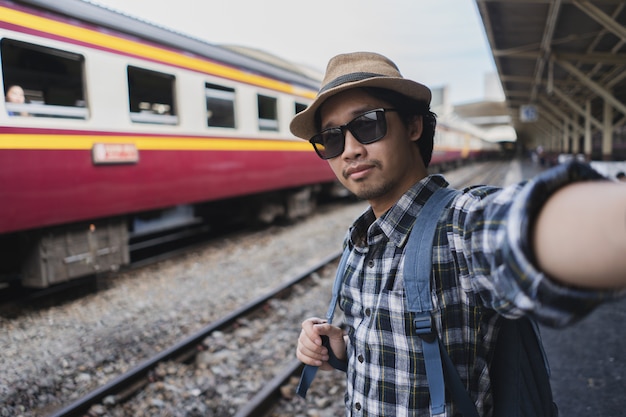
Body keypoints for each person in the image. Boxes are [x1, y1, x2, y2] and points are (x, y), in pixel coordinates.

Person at [292, 52, 626, 417]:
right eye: (332, 138)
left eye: (368, 124)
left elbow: (519, 229)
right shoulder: (359, 240)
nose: (351, 150)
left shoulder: (458, 225)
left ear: (414, 126)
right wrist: (345, 348)